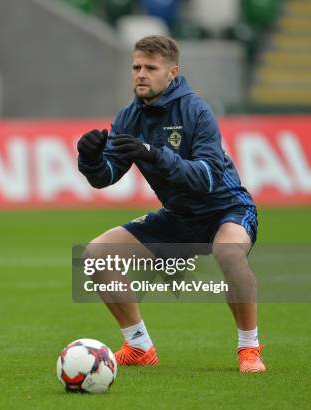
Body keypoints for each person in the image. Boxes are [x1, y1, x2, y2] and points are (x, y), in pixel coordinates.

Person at [77, 35, 265, 373]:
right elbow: (107, 176)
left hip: (226, 209)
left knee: (227, 252)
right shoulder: (128, 118)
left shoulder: (196, 110)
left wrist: (153, 154)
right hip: (179, 218)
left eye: (151, 67)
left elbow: (205, 177)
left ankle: (249, 349)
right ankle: (138, 346)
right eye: (136, 67)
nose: (141, 74)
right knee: (94, 257)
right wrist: (89, 159)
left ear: (172, 73)